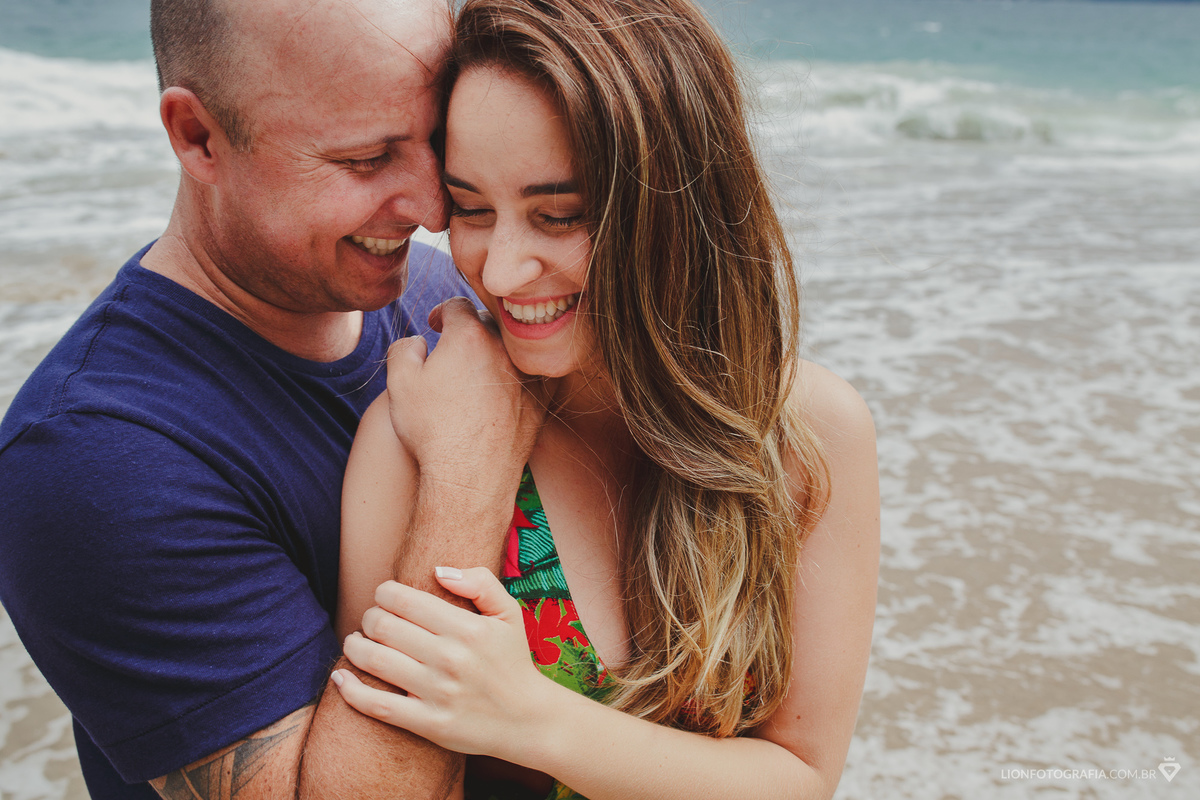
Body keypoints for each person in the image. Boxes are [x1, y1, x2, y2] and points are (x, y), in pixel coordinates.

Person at [331, 0, 881, 798]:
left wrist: (531, 719)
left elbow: (799, 777)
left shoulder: (807, 435)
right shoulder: (414, 438)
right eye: (473, 210)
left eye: (560, 216)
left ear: (678, 209)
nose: (502, 270)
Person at [0, 1, 538, 798]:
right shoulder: (91, 460)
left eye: (432, 140)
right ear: (197, 137)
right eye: (364, 159)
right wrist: (468, 474)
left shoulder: (454, 297)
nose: (431, 210)